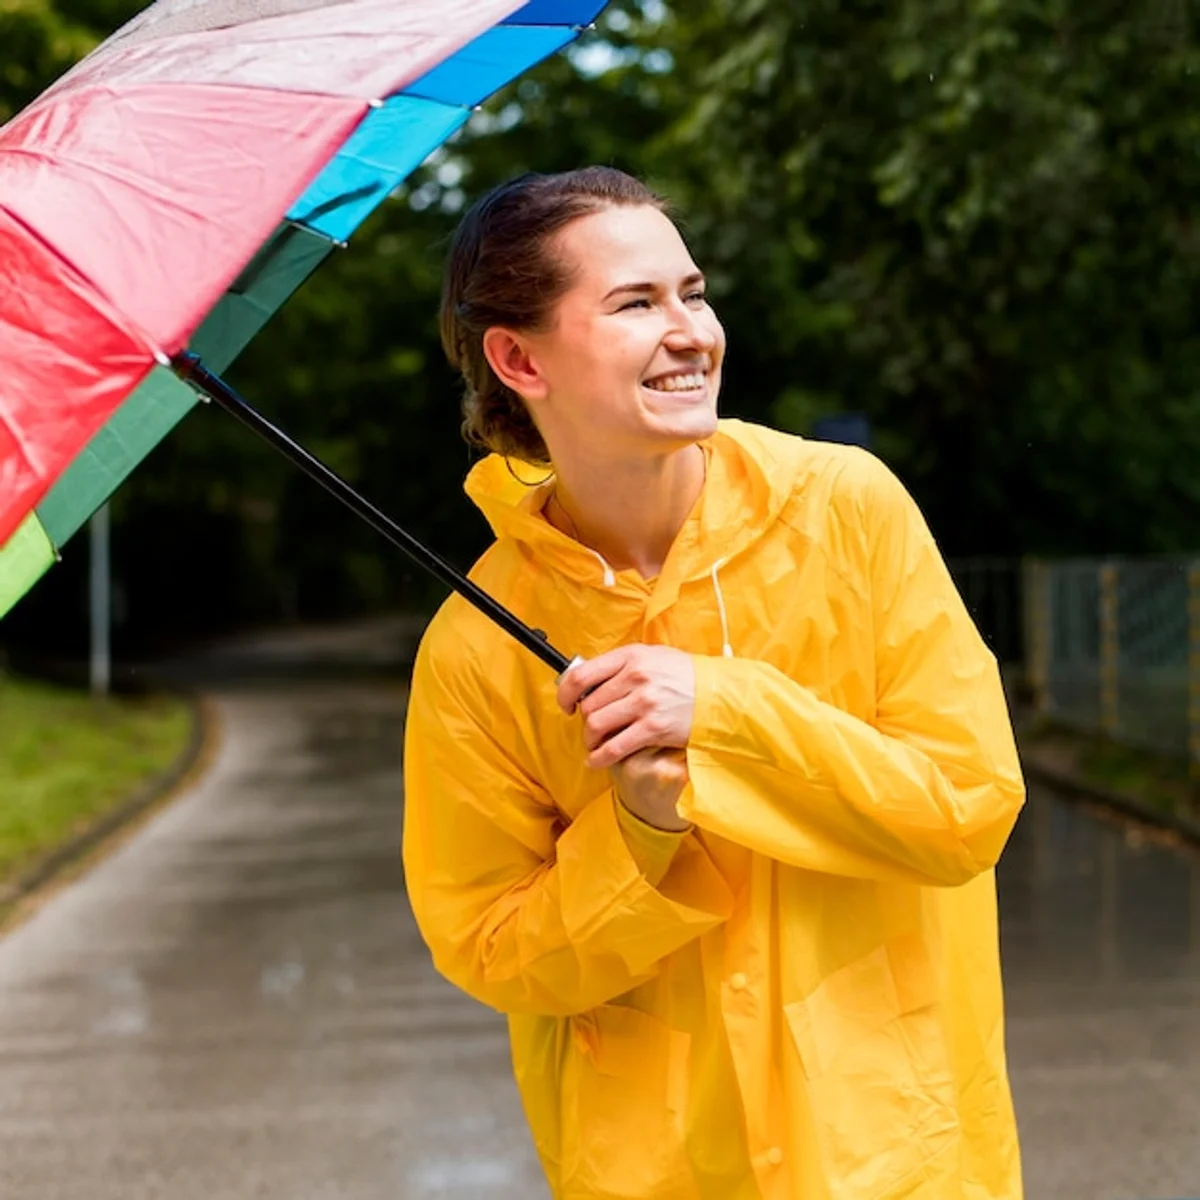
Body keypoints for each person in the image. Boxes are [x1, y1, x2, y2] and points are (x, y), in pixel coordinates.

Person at [401, 166, 1027, 1200]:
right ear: (519, 358)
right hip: (657, 1174)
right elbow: (491, 949)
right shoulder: (477, 648)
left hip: (898, 1162)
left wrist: (727, 712)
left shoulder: (845, 511)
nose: (691, 331)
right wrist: (638, 834)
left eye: (692, 292)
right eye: (635, 303)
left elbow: (968, 806)